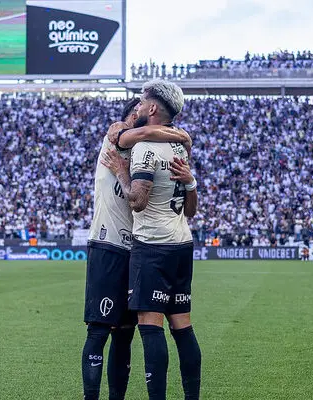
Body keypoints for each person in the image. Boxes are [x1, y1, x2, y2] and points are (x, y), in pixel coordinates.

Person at [82, 98, 190, 400]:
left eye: (140, 113)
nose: (138, 119)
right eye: (134, 114)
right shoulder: (114, 139)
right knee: (98, 330)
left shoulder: (147, 155)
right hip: (107, 244)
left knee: (125, 335)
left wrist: (178, 138)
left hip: (139, 250)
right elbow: (136, 132)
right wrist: (180, 135)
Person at [106, 80, 201, 400]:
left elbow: (137, 201)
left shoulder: (146, 148)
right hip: (182, 242)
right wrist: (191, 183)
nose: (140, 105)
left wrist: (121, 171)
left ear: (152, 109)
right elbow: (190, 211)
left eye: (143, 102)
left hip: (152, 245)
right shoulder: (180, 147)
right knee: (182, 327)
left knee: (150, 327)